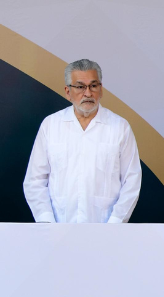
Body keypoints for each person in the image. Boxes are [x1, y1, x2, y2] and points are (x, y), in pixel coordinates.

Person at [23, 59, 141, 223]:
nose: (88, 93)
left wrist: (115, 224)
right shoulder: (51, 125)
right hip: (59, 227)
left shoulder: (120, 127)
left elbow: (131, 181)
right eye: (80, 87)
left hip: (105, 227)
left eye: (93, 86)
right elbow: (35, 181)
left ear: (101, 89)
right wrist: (47, 223)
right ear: (68, 91)